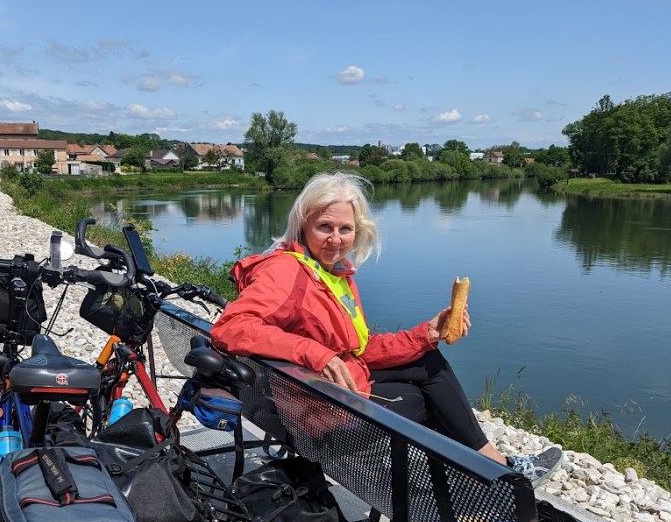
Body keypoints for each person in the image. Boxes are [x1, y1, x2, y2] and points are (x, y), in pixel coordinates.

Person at [210, 171, 562, 486]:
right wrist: (315, 354)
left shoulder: (331, 274)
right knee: (424, 401)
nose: (336, 239)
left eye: (345, 229)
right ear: (303, 225)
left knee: (429, 363)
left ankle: (494, 469)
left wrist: (425, 334)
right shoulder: (286, 270)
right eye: (325, 227)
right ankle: (495, 479)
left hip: (322, 395)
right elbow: (231, 327)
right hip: (318, 417)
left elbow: (359, 349)